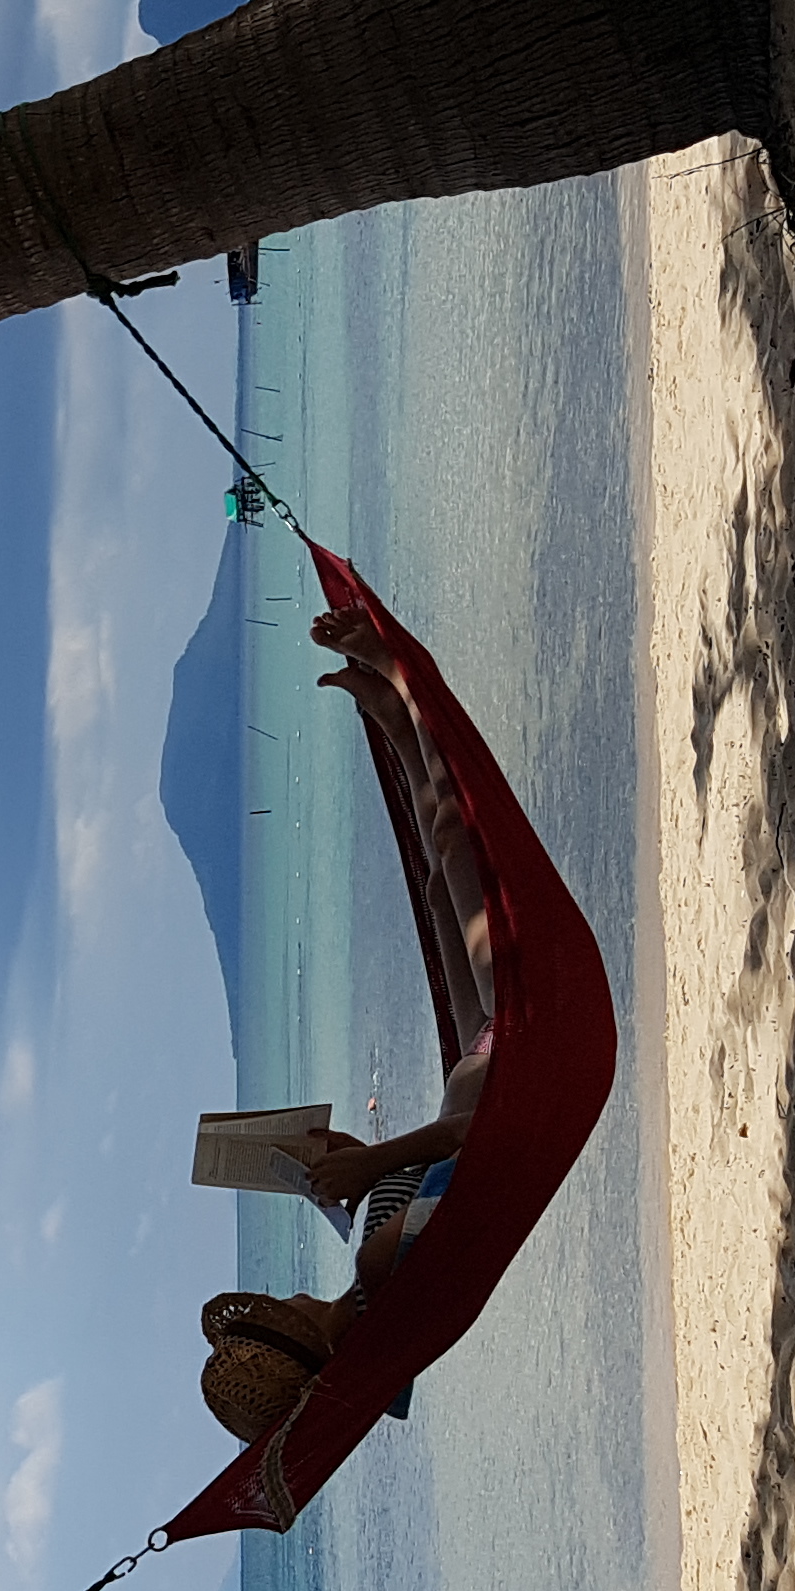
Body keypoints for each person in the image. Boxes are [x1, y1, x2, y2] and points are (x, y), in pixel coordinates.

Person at [195, 603, 500, 1446]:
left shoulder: (377, 1301)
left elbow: (441, 1179)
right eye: (273, 1313)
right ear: (294, 1334)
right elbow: (479, 1143)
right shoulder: (378, 1273)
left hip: (476, 1063)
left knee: (438, 882)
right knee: (452, 844)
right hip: (508, 1059)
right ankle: (405, 699)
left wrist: (355, 1169)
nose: (277, 1297)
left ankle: (398, 727)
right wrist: (372, 1163)